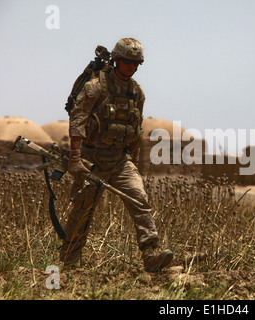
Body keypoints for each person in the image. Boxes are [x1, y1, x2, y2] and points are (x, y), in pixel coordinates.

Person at [60, 38, 173, 273]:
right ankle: (69, 261)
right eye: (127, 62)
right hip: (92, 158)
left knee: (139, 199)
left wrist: (133, 160)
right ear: (116, 60)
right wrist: (75, 159)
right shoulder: (96, 87)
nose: (131, 67)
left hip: (121, 160)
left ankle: (151, 253)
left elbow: (137, 130)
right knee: (82, 210)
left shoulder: (137, 92)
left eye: (136, 64)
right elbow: (78, 121)